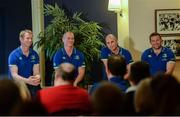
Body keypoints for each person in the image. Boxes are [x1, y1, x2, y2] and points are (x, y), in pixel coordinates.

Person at [8, 29, 41, 96]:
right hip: (18, 84)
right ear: (21, 39)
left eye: (31, 38)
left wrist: (37, 77)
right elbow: (14, 75)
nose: (30, 40)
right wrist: (27, 81)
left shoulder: (34, 54)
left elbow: (36, 72)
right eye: (27, 38)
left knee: (38, 94)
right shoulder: (14, 55)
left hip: (30, 83)